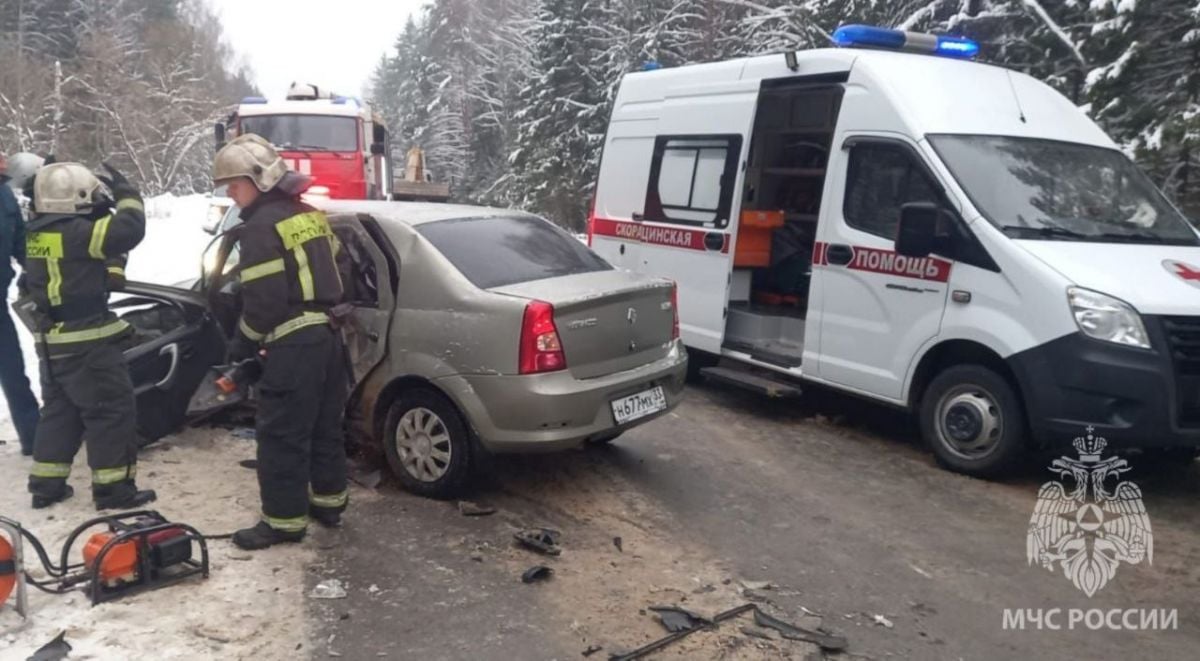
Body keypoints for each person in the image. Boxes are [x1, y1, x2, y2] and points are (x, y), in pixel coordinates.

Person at [213, 134, 349, 550]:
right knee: (325, 427)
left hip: (293, 345)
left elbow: (263, 304)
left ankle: (284, 522)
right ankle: (329, 503)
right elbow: (339, 264)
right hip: (329, 338)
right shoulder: (311, 216)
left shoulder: (258, 230)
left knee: (281, 436)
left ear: (260, 179)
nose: (232, 196)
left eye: (235, 185)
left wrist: (241, 347)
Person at [21, 161, 156, 510]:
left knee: (60, 412)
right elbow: (129, 229)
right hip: (89, 344)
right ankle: (114, 491)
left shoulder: (36, 234)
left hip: (53, 345)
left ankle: (46, 485)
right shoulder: (78, 233)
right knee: (110, 412)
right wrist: (127, 194)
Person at [0, 151, 40, 455]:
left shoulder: (4, 196)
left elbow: (21, 243)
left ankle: (33, 437)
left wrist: (36, 272)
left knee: (12, 368)